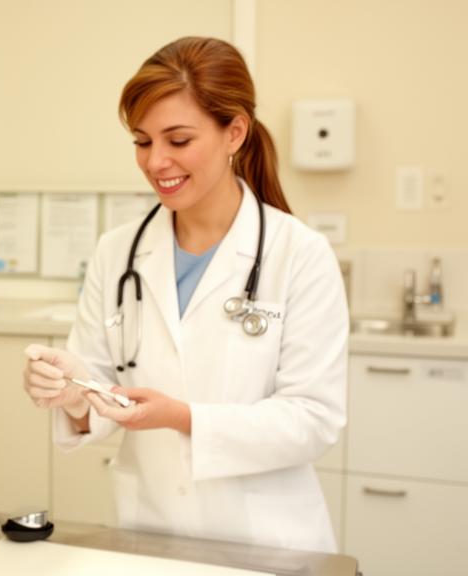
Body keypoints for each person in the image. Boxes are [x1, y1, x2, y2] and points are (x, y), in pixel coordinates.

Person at [22, 36, 347, 554]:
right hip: (149, 531)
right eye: (142, 141)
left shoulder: (299, 254)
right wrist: (73, 392)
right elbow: (100, 393)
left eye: (177, 140)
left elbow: (313, 419)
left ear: (234, 132)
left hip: (267, 542)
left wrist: (181, 417)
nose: (156, 162)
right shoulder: (117, 252)